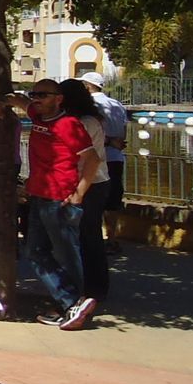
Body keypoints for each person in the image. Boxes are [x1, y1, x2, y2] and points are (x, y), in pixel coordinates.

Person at [11, 80, 98, 330]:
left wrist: (79, 193)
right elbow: (22, 103)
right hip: (39, 195)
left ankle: (72, 304)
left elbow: (92, 159)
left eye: (42, 95)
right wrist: (6, 98)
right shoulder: (38, 117)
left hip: (60, 199)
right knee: (35, 251)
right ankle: (71, 303)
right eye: (34, 94)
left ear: (58, 98)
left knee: (67, 254)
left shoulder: (69, 124)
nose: (36, 99)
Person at [60, 78, 112, 307]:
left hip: (90, 183)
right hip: (93, 182)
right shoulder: (88, 119)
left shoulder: (84, 122)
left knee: (87, 237)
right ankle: (92, 286)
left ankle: (94, 288)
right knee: (86, 237)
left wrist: (79, 191)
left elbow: (88, 159)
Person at [80, 71, 127, 281]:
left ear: (88, 86)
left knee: (94, 202)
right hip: (116, 157)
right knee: (113, 200)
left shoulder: (91, 107)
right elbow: (123, 131)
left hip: (98, 159)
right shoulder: (117, 104)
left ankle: (95, 239)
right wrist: (117, 143)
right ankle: (112, 237)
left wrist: (108, 142)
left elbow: (95, 133)